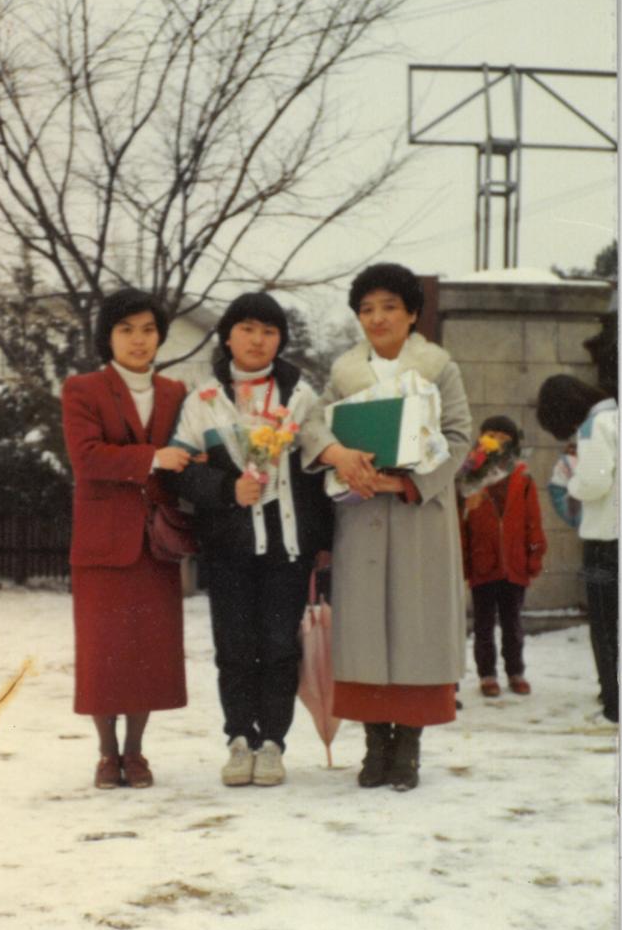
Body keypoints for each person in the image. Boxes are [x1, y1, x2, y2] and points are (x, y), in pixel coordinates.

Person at [301, 263, 471, 791]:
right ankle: (376, 746)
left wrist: (407, 485)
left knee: (416, 624)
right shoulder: (344, 372)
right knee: (367, 627)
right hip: (362, 508)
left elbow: (460, 436)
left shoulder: (439, 367)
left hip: (419, 512)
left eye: (390, 307)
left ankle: (410, 748)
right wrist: (338, 453)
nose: (378, 318)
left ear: (412, 313)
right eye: (367, 309)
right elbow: (313, 426)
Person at [170, 292, 331, 787]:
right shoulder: (202, 400)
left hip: (287, 549)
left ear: (280, 339)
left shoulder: (302, 396)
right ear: (228, 336)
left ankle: (273, 744)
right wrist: (225, 489)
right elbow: (178, 471)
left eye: (268, 331)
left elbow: (319, 472)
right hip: (229, 547)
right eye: (247, 329)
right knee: (235, 647)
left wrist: (322, 543)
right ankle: (239, 739)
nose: (257, 340)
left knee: (281, 648)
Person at [62, 288, 192, 789]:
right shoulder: (82, 390)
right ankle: (105, 754)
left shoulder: (177, 393)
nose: (139, 340)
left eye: (148, 330)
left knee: (146, 651)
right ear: (107, 337)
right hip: (102, 542)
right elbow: (87, 458)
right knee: (103, 651)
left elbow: (190, 457)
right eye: (126, 330)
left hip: (157, 541)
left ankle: (135, 753)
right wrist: (153, 458)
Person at [536, 374, 618, 724]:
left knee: (604, 624)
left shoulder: (592, 427)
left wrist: (573, 484)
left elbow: (596, 480)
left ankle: (613, 699)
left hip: (603, 540)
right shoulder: (615, 417)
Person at [458, 416, 547, 698]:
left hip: (514, 565)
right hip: (483, 564)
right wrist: (464, 562)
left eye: (502, 435)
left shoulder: (522, 477)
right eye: (490, 433)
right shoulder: (472, 476)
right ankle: (487, 674)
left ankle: (515, 671)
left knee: (513, 623)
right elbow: (463, 526)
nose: (496, 439)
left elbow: (533, 522)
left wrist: (534, 556)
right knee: (483, 624)